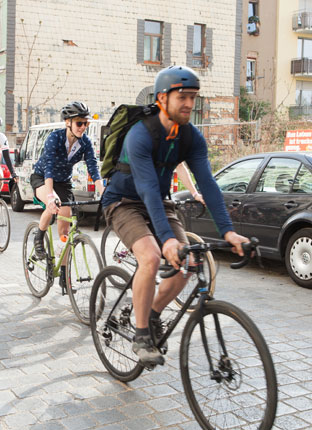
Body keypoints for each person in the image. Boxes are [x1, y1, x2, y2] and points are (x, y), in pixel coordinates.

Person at [101, 65, 249, 366]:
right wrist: (166, 239)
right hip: (124, 201)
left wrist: (228, 231)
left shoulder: (191, 137)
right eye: (182, 96)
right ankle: (141, 334)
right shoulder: (140, 135)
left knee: (187, 263)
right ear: (161, 98)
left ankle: (151, 314)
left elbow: (208, 184)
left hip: (159, 201)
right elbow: (146, 188)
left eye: (193, 97)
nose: (189, 104)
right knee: (153, 256)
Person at [31, 102, 104, 293]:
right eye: (79, 123)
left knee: (65, 232)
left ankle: (64, 276)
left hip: (63, 183)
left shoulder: (85, 142)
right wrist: (50, 195)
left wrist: (103, 192)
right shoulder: (54, 138)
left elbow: (93, 167)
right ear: (68, 122)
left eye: (85, 124)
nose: (83, 127)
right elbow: (48, 168)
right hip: (42, 178)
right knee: (51, 204)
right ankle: (38, 237)